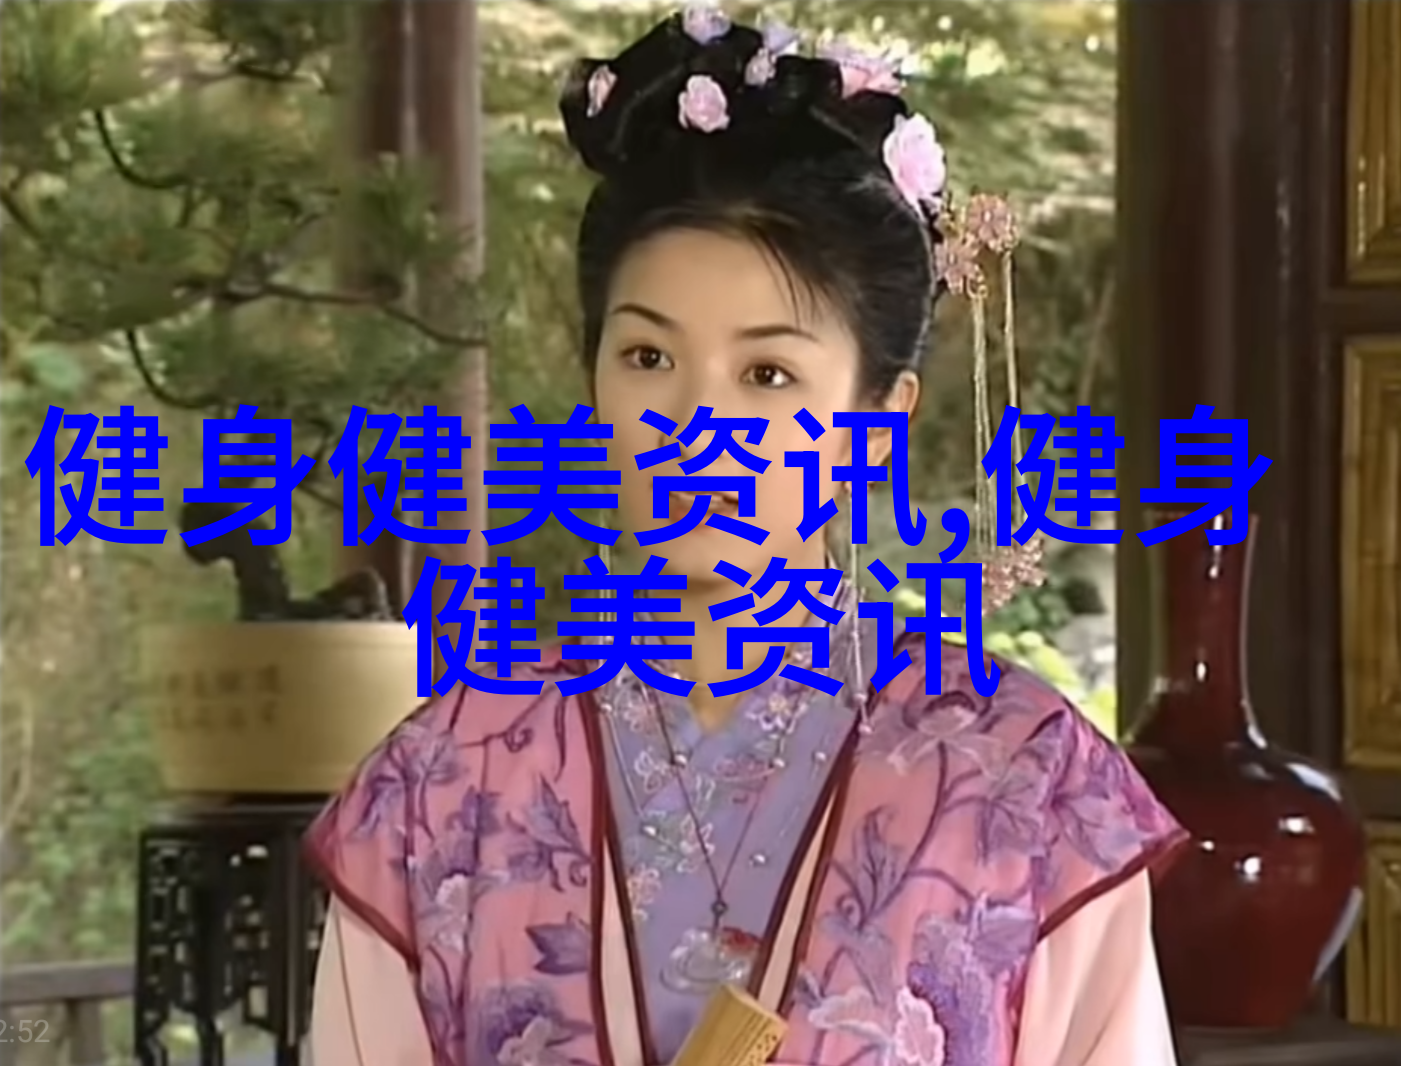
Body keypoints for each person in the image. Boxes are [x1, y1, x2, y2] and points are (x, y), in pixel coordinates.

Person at [304, 7, 1188, 1065]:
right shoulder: (441, 786)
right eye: (647, 359)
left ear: (875, 422)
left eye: (767, 374)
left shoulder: (1025, 785)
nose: (695, 426)